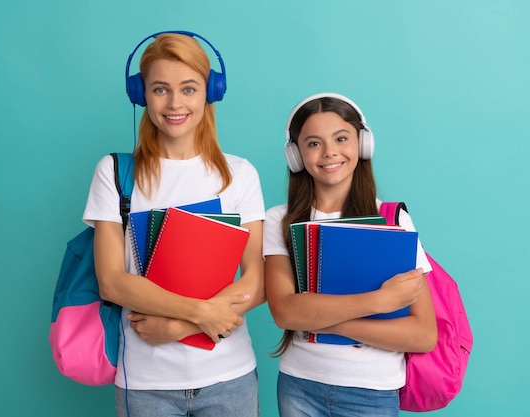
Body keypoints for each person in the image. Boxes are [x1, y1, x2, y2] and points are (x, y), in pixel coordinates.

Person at [83, 32, 265, 417]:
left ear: (210, 92)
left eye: (189, 88)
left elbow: (257, 279)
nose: (175, 103)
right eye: (160, 89)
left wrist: (180, 327)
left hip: (230, 377)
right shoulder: (115, 173)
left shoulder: (240, 174)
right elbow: (112, 283)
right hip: (147, 385)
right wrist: (199, 315)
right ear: (141, 94)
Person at [262, 92, 437, 417]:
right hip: (299, 386)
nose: (329, 152)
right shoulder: (279, 220)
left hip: (373, 392)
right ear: (295, 155)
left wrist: (324, 321)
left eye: (341, 138)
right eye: (313, 143)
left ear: (362, 144)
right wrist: (378, 302)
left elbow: (423, 334)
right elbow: (286, 313)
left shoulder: (393, 220)